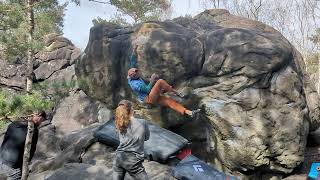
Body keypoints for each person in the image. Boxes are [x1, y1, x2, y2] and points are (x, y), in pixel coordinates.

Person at [127, 45, 200, 117]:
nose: (138, 73)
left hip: (152, 96)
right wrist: (152, 80)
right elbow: (147, 89)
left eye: (137, 72)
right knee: (160, 81)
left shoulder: (133, 75)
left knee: (169, 102)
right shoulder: (135, 85)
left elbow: (133, 62)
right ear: (133, 77)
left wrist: (134, 50)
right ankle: (176, 92)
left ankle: (189, 112)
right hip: (149, 98)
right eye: (136, 74)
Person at [0, 110, 47, 180]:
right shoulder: (32, 129)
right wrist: (25, 166)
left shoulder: (13, 124)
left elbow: (5, 139)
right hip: (14, 165)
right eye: (42, 120)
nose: (41, 123)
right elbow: (31, 150)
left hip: (2, 158)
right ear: (39, 116)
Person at [113, 100, 150, 180]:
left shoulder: (119, 123)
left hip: (119, 158)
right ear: (131, 110)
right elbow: (147, 138)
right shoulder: (143, 122)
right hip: (133, 162)